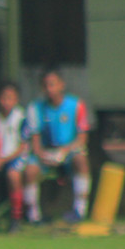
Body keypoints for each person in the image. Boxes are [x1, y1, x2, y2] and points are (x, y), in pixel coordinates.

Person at [24, 68, 92, 223]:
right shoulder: (35, 108)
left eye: (52, 84)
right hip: (45, 154)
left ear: (62, 85)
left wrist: (63, 151)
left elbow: (82, 138)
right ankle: (33, 216)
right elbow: (35, 140)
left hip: (68, 152)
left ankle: (80, 210)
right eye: (46, 85)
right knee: (30, 171)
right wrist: (43, 155)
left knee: (81, 160)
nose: (49, 89)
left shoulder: (76, 105)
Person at [0, 81, 30, 233]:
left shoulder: (21, 117)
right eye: (3, 98)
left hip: (15, 158)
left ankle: (16, 218)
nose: (6, 102)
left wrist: (3, 160)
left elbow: (22, 146)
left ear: (16, 100)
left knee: (13, 175)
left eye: (10, 98)